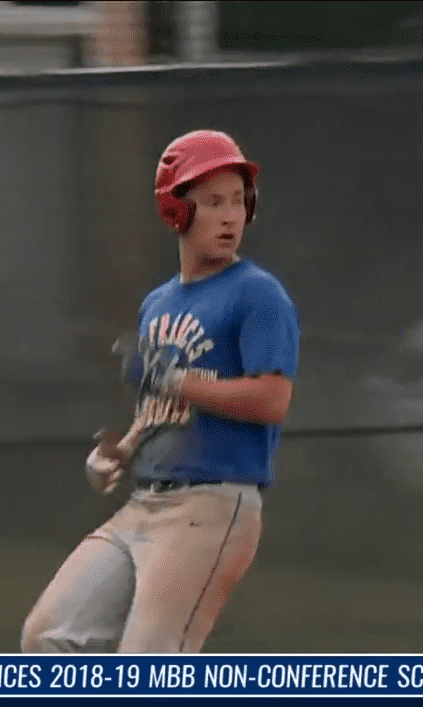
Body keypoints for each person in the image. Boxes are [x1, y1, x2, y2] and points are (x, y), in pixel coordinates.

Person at [20, 129, 301, 654]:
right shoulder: (158, 305)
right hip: (146, 502)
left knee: (149, 670)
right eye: (213, 202)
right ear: (176, 211)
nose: (230, 216)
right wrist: (121, 451)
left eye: (239, 201)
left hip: (213, 505)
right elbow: (163, 408)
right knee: (50, 637)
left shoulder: (257, 294)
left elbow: (272, 400)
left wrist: (178, 379)